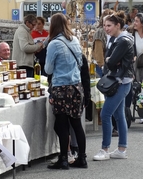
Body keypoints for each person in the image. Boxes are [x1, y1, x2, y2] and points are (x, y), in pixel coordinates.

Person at [45, 13, 87, 169]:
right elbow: (81, 62)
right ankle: (82, 158)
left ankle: (63, 159)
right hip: (76, 86)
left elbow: (48, 69)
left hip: (61, 87)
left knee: (62, 124)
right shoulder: (75, 40)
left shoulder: (54, 44)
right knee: (76, 124)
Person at [93, 11, 134, 161]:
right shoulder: (118, 39)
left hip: (120, 81)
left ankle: (105, 149)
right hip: (120, 79)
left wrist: (111, 59)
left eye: (109, 25)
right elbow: (109, 59)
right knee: (118, 115)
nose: (106, 28)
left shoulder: (122, 40)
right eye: (104, 25)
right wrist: (111, 59)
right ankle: (121, 149)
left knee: (105, 114)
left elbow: (109, 61)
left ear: (118, 25)